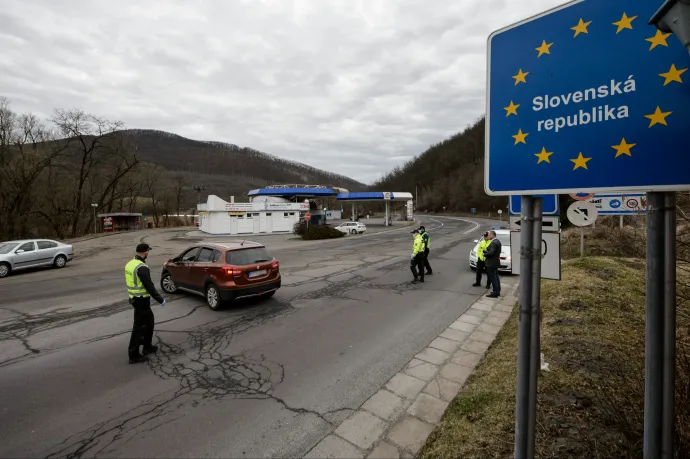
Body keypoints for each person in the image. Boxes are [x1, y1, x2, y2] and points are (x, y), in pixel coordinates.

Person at [124, 243, 166, 364]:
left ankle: (147, 346)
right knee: (139, 327)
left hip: (135, 299)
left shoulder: (130, 264)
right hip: (141, 300)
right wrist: (160, 299)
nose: (148, 253)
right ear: (145, 252)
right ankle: (134, 355)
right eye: (148, 251)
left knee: (149, 322)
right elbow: (149, 286)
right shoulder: (142, 267)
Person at [483, 231, 502, 298]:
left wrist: (485, 254)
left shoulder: (494, 242)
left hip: (491, 263)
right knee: (496, 277)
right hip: (495, 262)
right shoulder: (498, 241)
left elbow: (491, 253)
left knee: (493, 278)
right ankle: (497, 291)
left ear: (492, 235)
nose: (489, 236)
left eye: (489, 235)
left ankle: (495, 293)